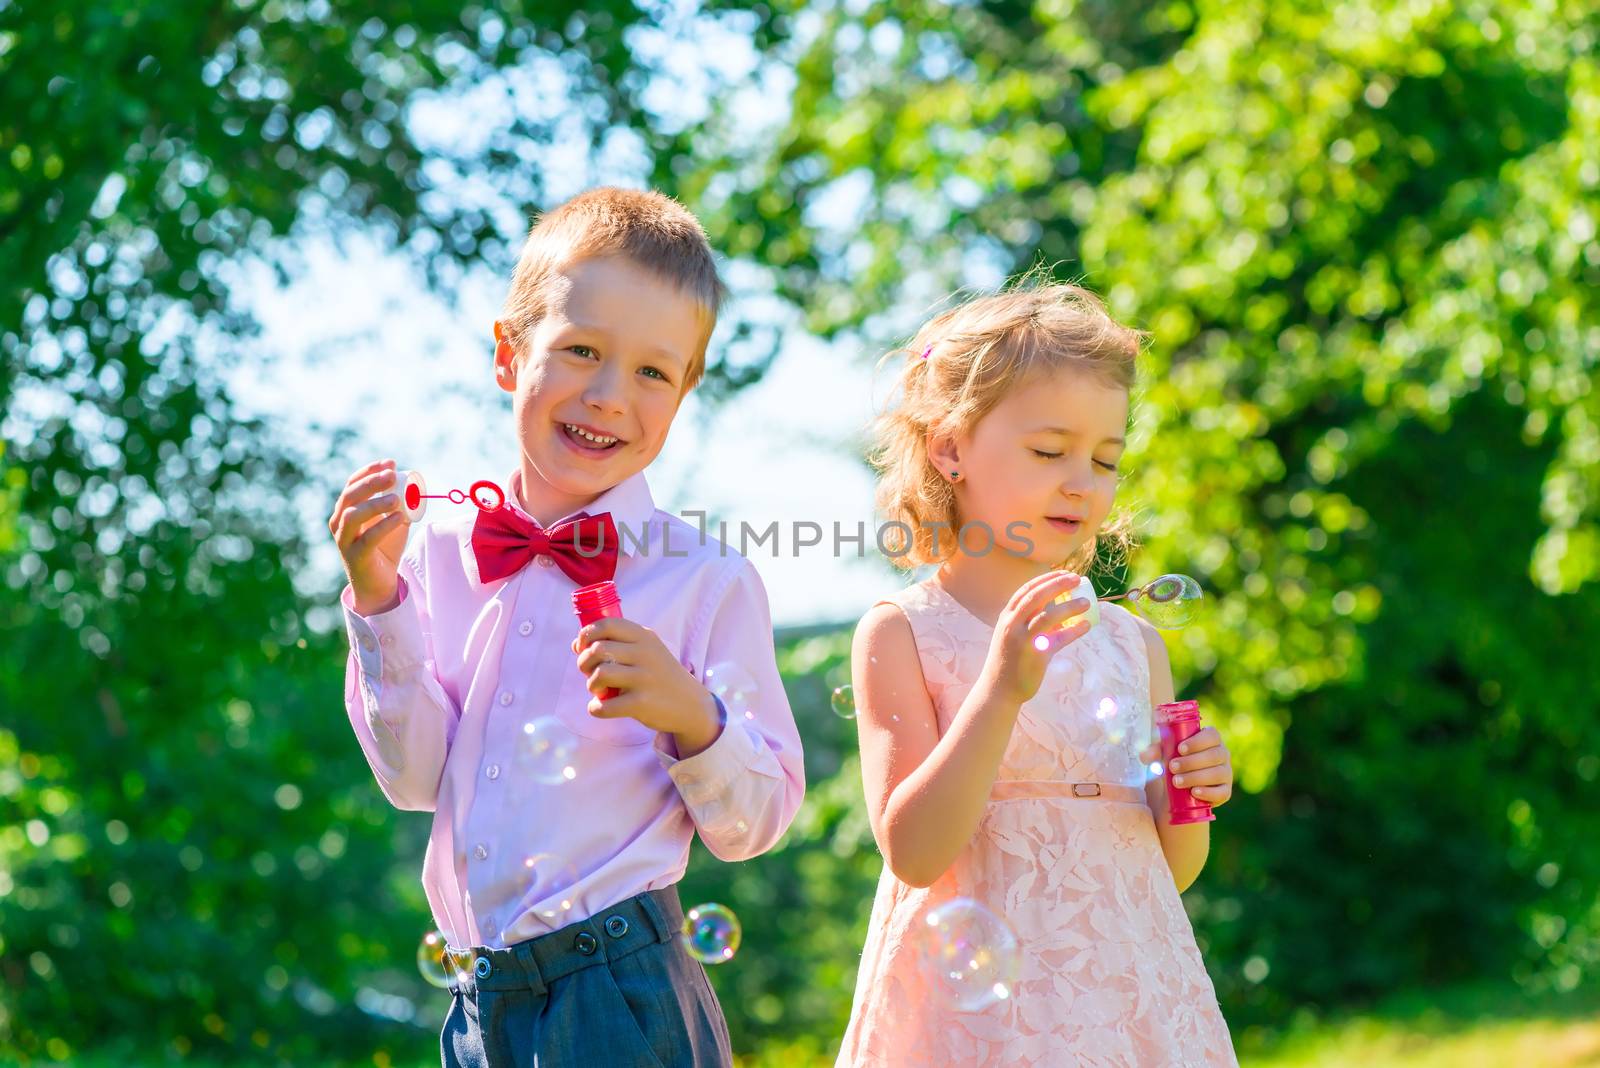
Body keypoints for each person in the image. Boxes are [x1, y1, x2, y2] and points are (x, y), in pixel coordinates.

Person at [328, 187, 805, 1068]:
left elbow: (757, 819)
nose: (610, 395)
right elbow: (413, 778)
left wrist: (692, 717)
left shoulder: (706, 581)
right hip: (481, 999)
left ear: (687, 388)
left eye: (654, 372)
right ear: (509, 355)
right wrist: (377, 597)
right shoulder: (433, 550)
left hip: (622, 990)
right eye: (582, 350)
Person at [836, 280, 1238, 1066]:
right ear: (950, 447)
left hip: (1128, 999)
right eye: (1050, 451)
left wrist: (1193, 795)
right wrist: (999, 691)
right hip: (980, 1020)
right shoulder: (904, 633)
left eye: (1106, 458)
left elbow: (1174, 872)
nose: (1082, 480)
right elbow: (914, 853)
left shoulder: (1132, 644)